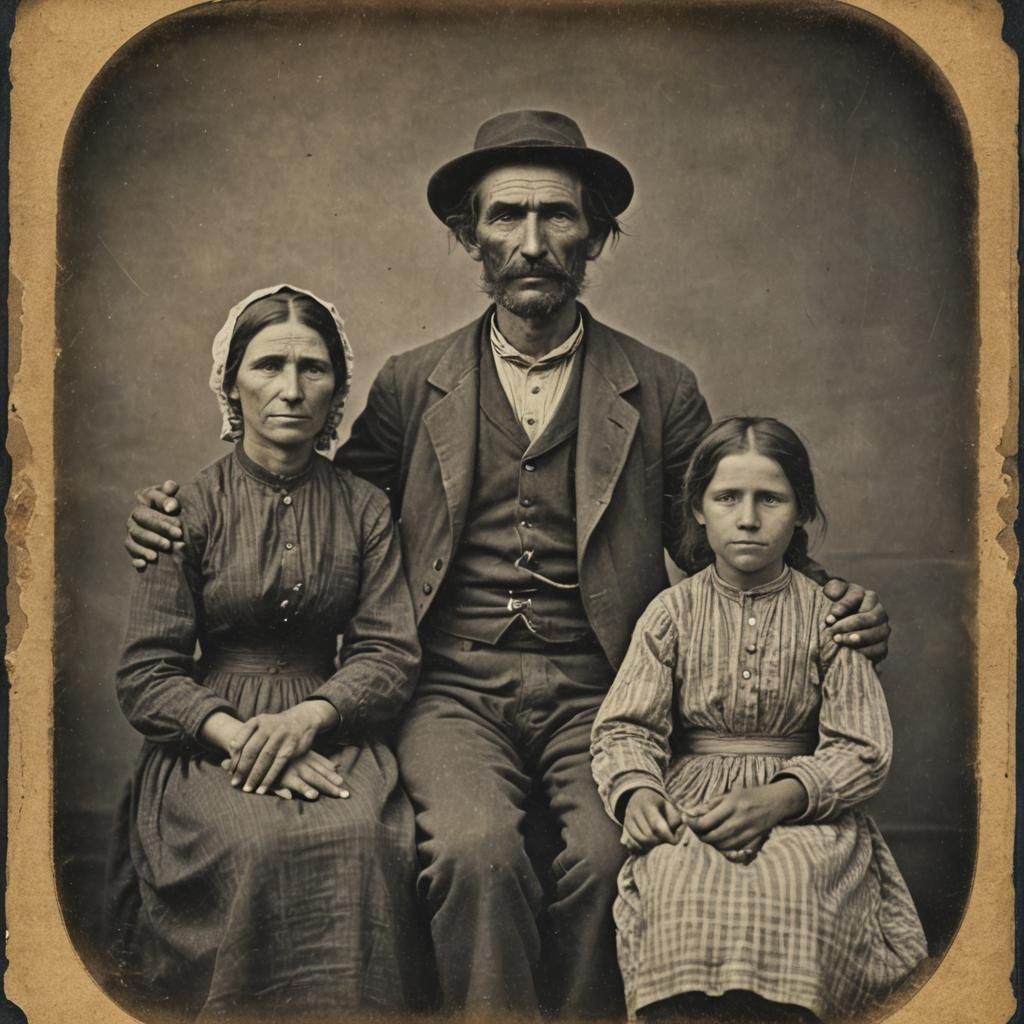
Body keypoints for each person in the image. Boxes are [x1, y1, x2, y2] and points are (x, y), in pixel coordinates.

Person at [124, 112, 892, 1018]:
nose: (532, 243)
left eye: (558, 217)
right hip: (448, 688)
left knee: (617, 857)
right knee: (474, 854)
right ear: (470, 235)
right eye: (506, 218)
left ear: (595, 234)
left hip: (602, 689)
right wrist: (176, 517)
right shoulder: (415, 383)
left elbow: (715, 538)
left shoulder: (661, 384)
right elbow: (324, 507)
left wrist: (824, 591)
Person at [110, 285, 423, 1020]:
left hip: (329, 728)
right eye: (269, 365)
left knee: (361, 840)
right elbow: (146, 672)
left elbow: (387, 652)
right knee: (255, 845)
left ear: (338, 390)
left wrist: (310, 719)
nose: (290, 390)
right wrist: (240, 735)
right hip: (212, 738)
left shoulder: (365, 507)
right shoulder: (182, 510)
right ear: (231, 384)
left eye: (313, 369)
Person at [591, 417, 926, 1023]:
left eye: (769, 499)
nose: (747, 518)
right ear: (697, 510)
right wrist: (638, 790)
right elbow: (626, 727)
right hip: (693, 803)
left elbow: (862, 748)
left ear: (800, 512)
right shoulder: (670, 614)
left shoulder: (830, 615)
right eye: (727, 498)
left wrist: (781, 798)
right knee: (674, 880)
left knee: (796, 884)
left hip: (805, 811)